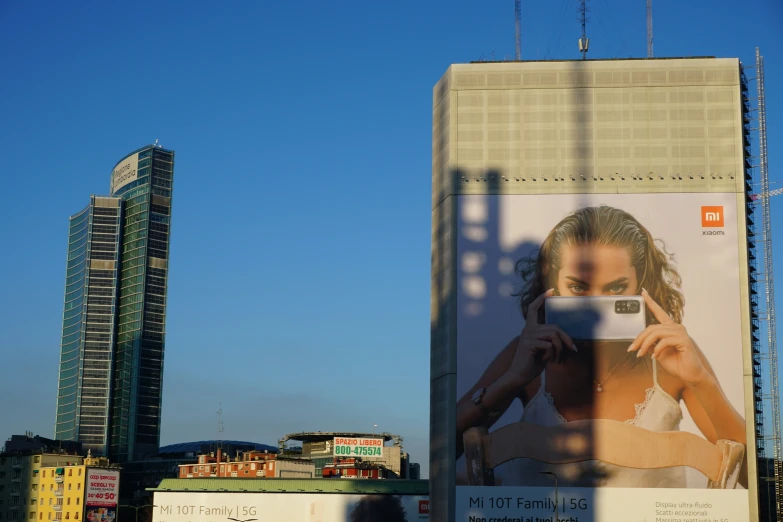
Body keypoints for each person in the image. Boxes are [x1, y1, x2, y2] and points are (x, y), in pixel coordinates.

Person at [456, 204, 746, 487]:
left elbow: (751, 477)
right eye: (579, 287)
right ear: (551, 283)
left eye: (617, 288)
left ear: (641, 283)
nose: (595, 305)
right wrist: (510, 380)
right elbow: (443, 452)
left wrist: (700, 381)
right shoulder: (527, 354)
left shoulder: (670, 355)